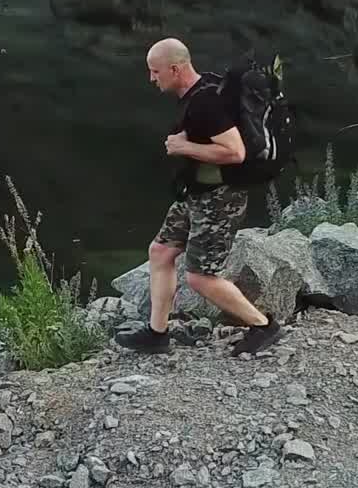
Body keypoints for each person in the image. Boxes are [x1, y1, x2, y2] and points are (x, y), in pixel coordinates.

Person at [114, 38, 281, 357]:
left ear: (175, 69)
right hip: (196, 192)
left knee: (200, 278)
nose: (152, 78)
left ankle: (263, 326)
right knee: (161, 252)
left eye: (155, 71)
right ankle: (156, 334)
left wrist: (183, 147)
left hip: (220, 198)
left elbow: (235, 152)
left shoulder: (206, 103)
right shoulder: (202, 90)